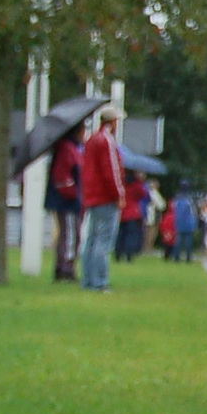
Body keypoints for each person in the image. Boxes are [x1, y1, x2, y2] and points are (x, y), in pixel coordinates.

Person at [79, 106, 125, 293]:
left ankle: (88, 279)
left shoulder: (91, 140)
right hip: (105, 197)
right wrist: (119, 195)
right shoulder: (107, 141)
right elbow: (112, 171)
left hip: (92, 196)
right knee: (103, 241)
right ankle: (100, 281)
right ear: (113, 122)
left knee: (91, 239)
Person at [45, 125, 83, 282]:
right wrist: (75, 195)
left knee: (68, 235)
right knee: (70, 236)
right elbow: (63, 178)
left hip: (68, 201)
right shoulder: (67, 149)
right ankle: (66, 269)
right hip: (67, 202)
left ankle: (64, 267)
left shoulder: (70, 148)